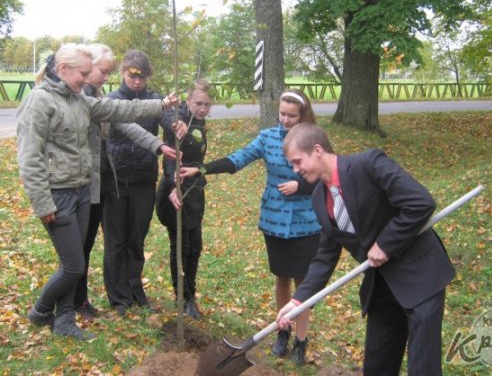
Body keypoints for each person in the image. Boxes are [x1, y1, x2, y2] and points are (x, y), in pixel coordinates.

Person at [17, 43, 178, 340]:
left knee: (75, 262)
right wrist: (43, 202)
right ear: (63, 69)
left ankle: (65, 319)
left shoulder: (79, 99)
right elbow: (29, 157)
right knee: (74, 264)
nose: (90, 78)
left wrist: (161, 105)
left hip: (82, 190)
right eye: (85, 73)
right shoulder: (41, 101)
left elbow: (121, 110)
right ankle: (41, 311)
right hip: (59, 194)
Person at [276, 123, 455, 376]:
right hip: (381, 285)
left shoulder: (368, 164)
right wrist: (298, 300)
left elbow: (420, 202)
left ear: (317, 150)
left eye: (297, 161)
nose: (295, 170)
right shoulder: (318, 198)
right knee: (377, 366)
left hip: (420, 275)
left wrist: (385, 243)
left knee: (422, 367)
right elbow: (325, 256)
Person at [180, 90, 321, 366]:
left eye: (291, 115)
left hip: (307, 221)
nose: (285, 119)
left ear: (303, 115)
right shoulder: (268, 137)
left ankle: (301, 342)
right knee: (282, 277)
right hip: (275, 220)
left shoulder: (314, 140)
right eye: (282, 113)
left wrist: (301, 185)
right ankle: (282, 332)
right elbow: (239, 159)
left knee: (304, 283)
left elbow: (326, 176)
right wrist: (202, 169)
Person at [74, 44, 179, 320]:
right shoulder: (109, 99)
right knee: (115, 240)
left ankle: (135, 290)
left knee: (136, 239)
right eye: (131, 75)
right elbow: (123, 121)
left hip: (144, 178)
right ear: (123, 73)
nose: (136, 81)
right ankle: (117, 295)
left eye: (141, 76)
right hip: (115, 180)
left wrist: (175, 125)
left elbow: (166, 118)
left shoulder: (155, 98)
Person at [156, 79, 213, 320]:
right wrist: (173, 185)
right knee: (181, 247)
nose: (202, 108)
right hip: (176, 190)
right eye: (198, 103)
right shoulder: (180, 118)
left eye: (207, 104)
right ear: (188, 101)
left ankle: (190, 294)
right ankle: (183, 297)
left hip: (195, 191)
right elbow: (170, 155)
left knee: (195, 247)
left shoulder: (199, 120)